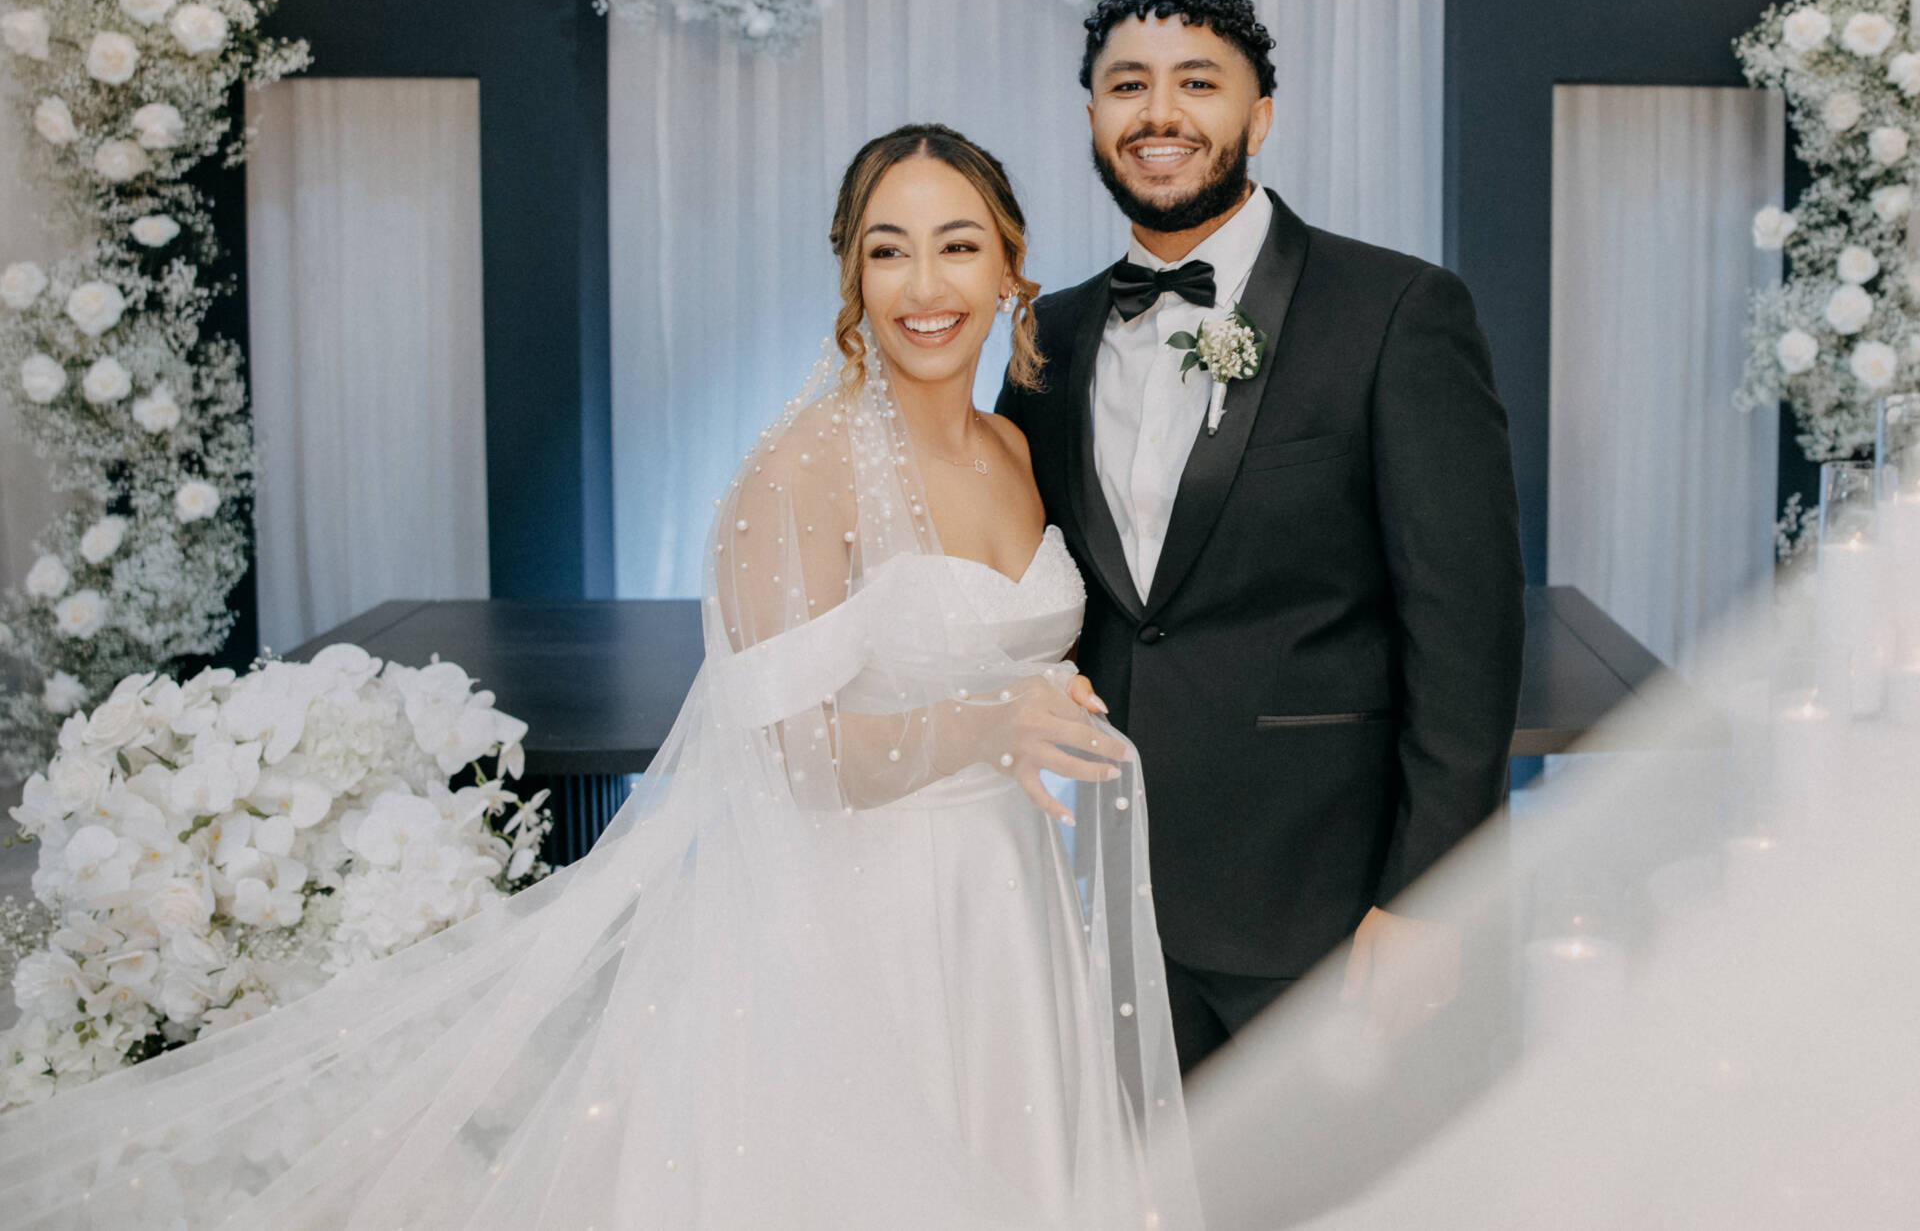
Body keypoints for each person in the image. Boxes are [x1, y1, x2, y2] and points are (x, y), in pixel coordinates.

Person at [0, 125, 1197, 1231]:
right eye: (889, 251)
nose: (925, 285)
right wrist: (987, 726)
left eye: (957, 246)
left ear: (1010, 265)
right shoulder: (803, 469)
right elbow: (790, 756)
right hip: (866, 929)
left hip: (1010, 905)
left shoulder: (1013, 447)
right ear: (851, 276)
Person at [998, 0, 1527, 1073]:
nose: (1159, 113)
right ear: (1092, 116)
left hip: (1331, 912)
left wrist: (1431, 894)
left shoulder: (1395, 312)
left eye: (1198, 82)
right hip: (1112, 906)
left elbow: (1466, 632)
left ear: (1262, 115)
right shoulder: (1047, 341)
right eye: (1127, 85)